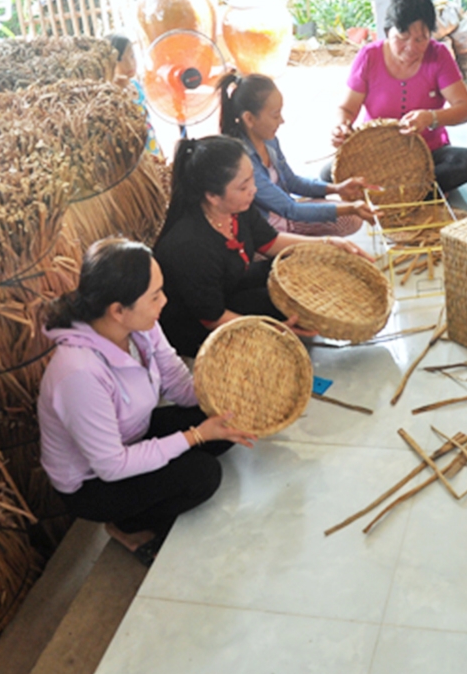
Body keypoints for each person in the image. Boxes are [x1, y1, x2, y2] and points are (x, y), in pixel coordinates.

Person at [38, 238, 257, 566]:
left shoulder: (142, 326)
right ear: (118, 310)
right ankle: (127, 524)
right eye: (155, 296)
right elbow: (111, 465)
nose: (164, 301)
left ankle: (166, 474)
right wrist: (195, 436)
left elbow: (177, 382)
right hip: (93, 482)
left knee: (221, 425)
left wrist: (226, 395)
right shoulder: (78, 373)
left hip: (132, 434)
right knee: (203, 475)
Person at [154, 135, 372, 358]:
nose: (254, 189)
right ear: (212, 196)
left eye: (252, 178)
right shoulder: (189, 246)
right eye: (243, 186)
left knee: (295, 272)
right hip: (196, 326)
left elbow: (271, 242)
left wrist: (327, 244)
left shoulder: (235, 208)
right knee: (285, 308)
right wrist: (270, 329)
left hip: (228, 287)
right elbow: (212, 318)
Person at [332, 0, 467, 193]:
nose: (411, 47)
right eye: (402, 38)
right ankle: (416, 192)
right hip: (377, 153)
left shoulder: (438, 55)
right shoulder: (369, 56)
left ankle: (392, 192)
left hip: (428, 153)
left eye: (421, 39)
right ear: (388, 32)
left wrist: (430, 118)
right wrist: (341, 126)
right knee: (329, 174)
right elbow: (347, 109)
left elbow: (465, 110)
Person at [218, 71, 377, 237]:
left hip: (285, 213)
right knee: (347, 218)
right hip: (269, 230)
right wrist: (351, 208)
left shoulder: (269, 141)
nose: (282, 121)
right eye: (275, 115)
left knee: (347, 218)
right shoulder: (242, 161)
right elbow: (290, 209)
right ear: (249, 119)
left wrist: (337, 188)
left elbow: (292, 181)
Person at [108, 34, 162, 158]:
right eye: (120, 59)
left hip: (152, 147)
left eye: (132, 56)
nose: (129, 63)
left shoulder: (136, 85)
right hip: (136, 155)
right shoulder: (113, 94)